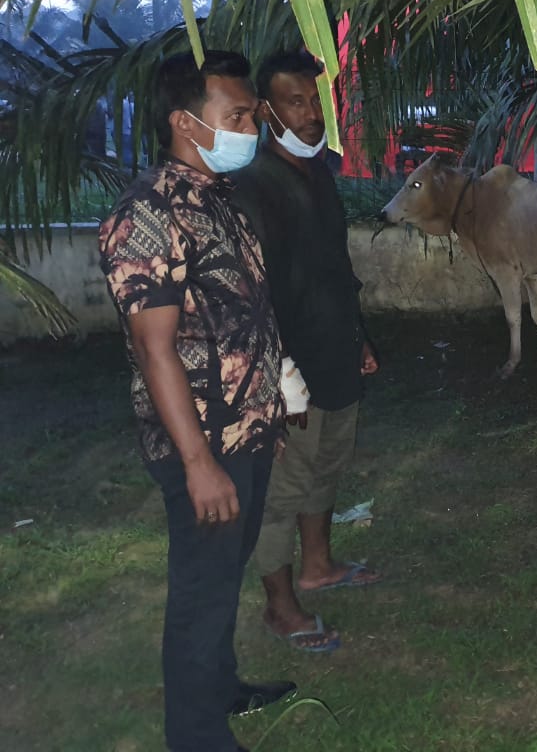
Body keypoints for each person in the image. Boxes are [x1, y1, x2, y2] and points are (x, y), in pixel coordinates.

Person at [98, 51, 295, 752]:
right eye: (237, 116)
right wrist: (198, 464)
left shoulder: (219, 198)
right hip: (203, 442)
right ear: (186, 122)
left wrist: (274, 396)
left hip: (246, 430)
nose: (252, 128)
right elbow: (155, 349)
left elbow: (241, 313)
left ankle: (221, 687)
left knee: (223, 577)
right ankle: (196, 737)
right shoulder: (147, 215)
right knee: (201, 592)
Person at [231, 50, 382, 656]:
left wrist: (358, 335)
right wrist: (276, 373)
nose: (313, 114)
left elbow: (334, 267)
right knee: (282, 489)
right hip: (287, 370)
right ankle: (279, 606)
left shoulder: (319, 173)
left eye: (317, 101)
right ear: (266, 111)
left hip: (335, 352)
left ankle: (318, 566)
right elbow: (248, 295)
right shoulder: (253, 187)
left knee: (326, 466)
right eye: (296, 102)